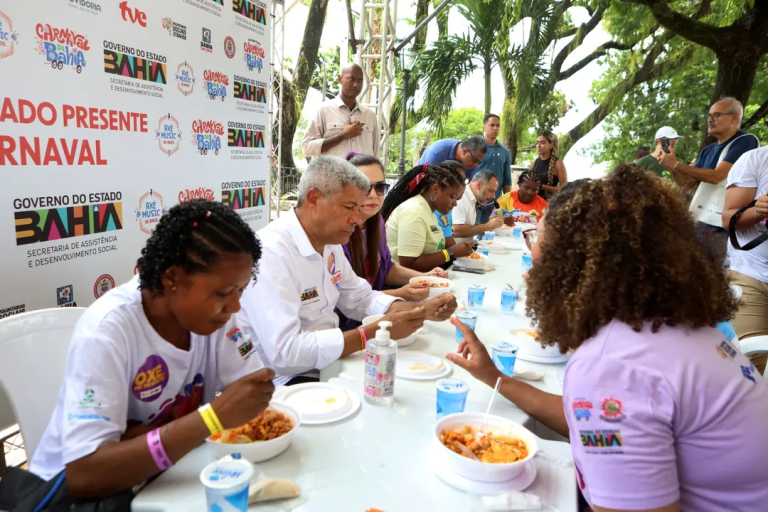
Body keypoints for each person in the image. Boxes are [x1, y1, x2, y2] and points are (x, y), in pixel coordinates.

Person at [446, 167, 768, 511]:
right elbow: (609, 416)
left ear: (571, 261)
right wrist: (496, 379)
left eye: (538, 238)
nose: (533, 251)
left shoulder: (613, 365)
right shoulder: (672, 326)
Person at [27, 200, 276, 501]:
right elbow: (84, 475)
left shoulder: (217, 317)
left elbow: (254, 389)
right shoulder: (108, 332)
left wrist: (147, 439)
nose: (235, 306)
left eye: (241, 290)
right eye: (223, 292)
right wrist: (211, 418)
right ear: (171, 277)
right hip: (70, 500)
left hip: (161, 482)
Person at [238, 156, 457, 386]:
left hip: (329, 364)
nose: (356, 218)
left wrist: (419, 311)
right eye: (349, 207)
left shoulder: (329, 241)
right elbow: (285, 353)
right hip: (280, 382)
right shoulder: (272, 252)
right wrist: (369, 334)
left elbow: (359, 297)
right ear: (314, 198)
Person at [338, 152, 448, 329]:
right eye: (365, 186)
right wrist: (400, 294)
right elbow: (346, 300)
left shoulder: (376, 221)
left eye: (380, 187)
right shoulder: (337, 234)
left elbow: (387, 267)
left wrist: (426, 277)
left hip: (375, 319)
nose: (373, 194)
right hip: (345, 327)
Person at [658, 97, 760, 261]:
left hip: (722, 226)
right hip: (699, 220)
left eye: (716, 115)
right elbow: (686, 184)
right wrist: (670, 165)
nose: (710, 119)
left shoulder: (745, 141)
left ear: (734, 117)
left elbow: (717, 176)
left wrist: (677, 165)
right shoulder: (708, 150)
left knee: (713, 273)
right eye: (709, 115)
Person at [723, 145, 768, 375]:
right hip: (752, 274)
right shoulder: (755, 159)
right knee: (750, 368)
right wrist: (757, 211)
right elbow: (727, 217)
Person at [382, 163, 476, 271]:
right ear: (436, 189)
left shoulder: (429, 210)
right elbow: (408, 264)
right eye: (452, 197)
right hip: (400, 283)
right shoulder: (415, 212)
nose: (455, 204)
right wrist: (451, 252)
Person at [301, 63, 380, 159]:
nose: (356, 84)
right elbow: (306, 148)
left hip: (361, 174)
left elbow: (376, 155)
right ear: (340, 79)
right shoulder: (323, 111)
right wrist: (342, 135)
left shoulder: (369, 115)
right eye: (352, 79)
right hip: (332, 174)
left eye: (360, 80)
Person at [452, 170, 505, 243]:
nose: (493, 196)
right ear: (479, 185)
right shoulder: (462, 198)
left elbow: (468, 226)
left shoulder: (473, 198)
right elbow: (457, 230)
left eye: (494, 192)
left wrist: (490, 222)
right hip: (455, 252)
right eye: (490, 191)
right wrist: (487, 226)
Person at [476, 113, 512, 198]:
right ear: (484, 127)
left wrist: (507, 201)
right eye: (492, 125)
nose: (495, 128)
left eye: (498, 125)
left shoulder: (505, 152)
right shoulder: (475, 147)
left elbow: (507, 180)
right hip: (475, 199)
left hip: (494, 200)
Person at [417, 135, 487, 179]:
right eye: (475, 160)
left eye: (479, 162)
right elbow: (429, 181)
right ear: (465, 151)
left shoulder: (470, 163)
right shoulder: (437, 152)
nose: (476, 164)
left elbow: (466, 186)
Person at [530, 131, 567, 199]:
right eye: (537, 143)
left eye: (542, 143)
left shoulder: (558, 163)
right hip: (532, 203)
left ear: (551, 145)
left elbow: (564, 189)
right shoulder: (533, 163)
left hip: (548, 205)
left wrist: (543, 186)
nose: (539, 146)